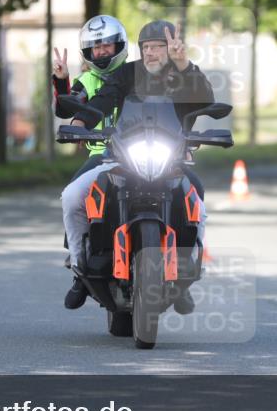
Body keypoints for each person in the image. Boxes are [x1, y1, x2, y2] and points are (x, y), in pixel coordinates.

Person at [60, 19, 214, 312]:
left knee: (198, 201)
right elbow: (104, 99)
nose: (151, 53)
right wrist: (80, 122)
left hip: (170, 160)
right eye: (146, 47)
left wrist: (184, 65)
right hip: (121, 157)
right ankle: (80, 268)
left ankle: (187, 273)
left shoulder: (183, 74)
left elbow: (204, 99)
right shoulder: (128, 73)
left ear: (172, 49)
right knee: (71, 197)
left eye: (159, 47)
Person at [52, 15, 129, 179]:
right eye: (96, 47)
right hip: (100, 154)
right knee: (71, 196)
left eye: (107, 45)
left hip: (138, 152)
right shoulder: (86, 81)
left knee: (184, 186)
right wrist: (61, 80)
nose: (102, 51)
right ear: (89, 51)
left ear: (119, 45)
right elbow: (64, 111)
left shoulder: (135, 74)